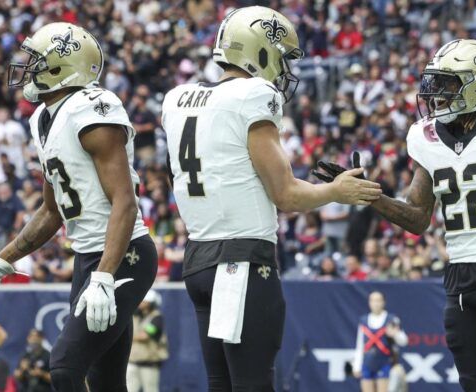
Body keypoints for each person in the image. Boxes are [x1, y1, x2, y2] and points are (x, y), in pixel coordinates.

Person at [315, 39, 476, 392]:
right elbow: (417, 217)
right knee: (472, 384)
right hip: (459, 276)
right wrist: (371, 195)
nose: (435, 95)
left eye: (447, 85)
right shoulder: (426, 138)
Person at [161, 7, 381, 391]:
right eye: (280, 55)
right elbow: (286, 194)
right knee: (253, 384)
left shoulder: (179, 99)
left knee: (221, 383)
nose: (283, 68)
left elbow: (175, 176)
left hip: (197, 261)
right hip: (242, 263)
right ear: (259, 50)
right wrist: (336, 191)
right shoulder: (254, 94)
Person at [0, 22, 157, 392]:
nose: (27, 67)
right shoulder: (42, 118)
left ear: (61, 66)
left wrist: (104, 276)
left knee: (65, 367)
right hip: (87, 257)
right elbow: (51, 210)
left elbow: (125, 201)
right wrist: (0, 262)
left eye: (36, 60)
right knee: (105, 381)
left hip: (123, 255)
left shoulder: (93, 110)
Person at [352, 291, 408, 392]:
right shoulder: (363, 320)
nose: (376, 303)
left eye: (378, 300)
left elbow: (404, 341)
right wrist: (357, 365)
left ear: (383, 302)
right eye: (373, 300)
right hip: (367, 363)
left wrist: (395, 334)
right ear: (369, 302)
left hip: (384, 362)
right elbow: (360, 345)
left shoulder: (391, 319)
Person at [127, 290, 168, 392]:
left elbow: (145, 336)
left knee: (150, 389)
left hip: (149, 364)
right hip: (132, 362)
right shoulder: (134, 316)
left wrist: (129, 336)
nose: (141, 303)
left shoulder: (157, 318)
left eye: (145, 301)